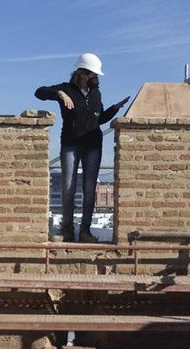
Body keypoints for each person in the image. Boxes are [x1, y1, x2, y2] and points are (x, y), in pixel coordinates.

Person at [35, 53, 129, 243]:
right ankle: (67, 231)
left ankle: (85, 231)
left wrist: (114, 109)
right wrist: (59, 94)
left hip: (93, 146)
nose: (97, 79)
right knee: (68, 188)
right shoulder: (66, 88)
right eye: (94, 75)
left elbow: (98, 118)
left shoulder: (96, 94)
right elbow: (39, 92)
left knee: (89, 189)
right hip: (70, 144)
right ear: (83, 74)